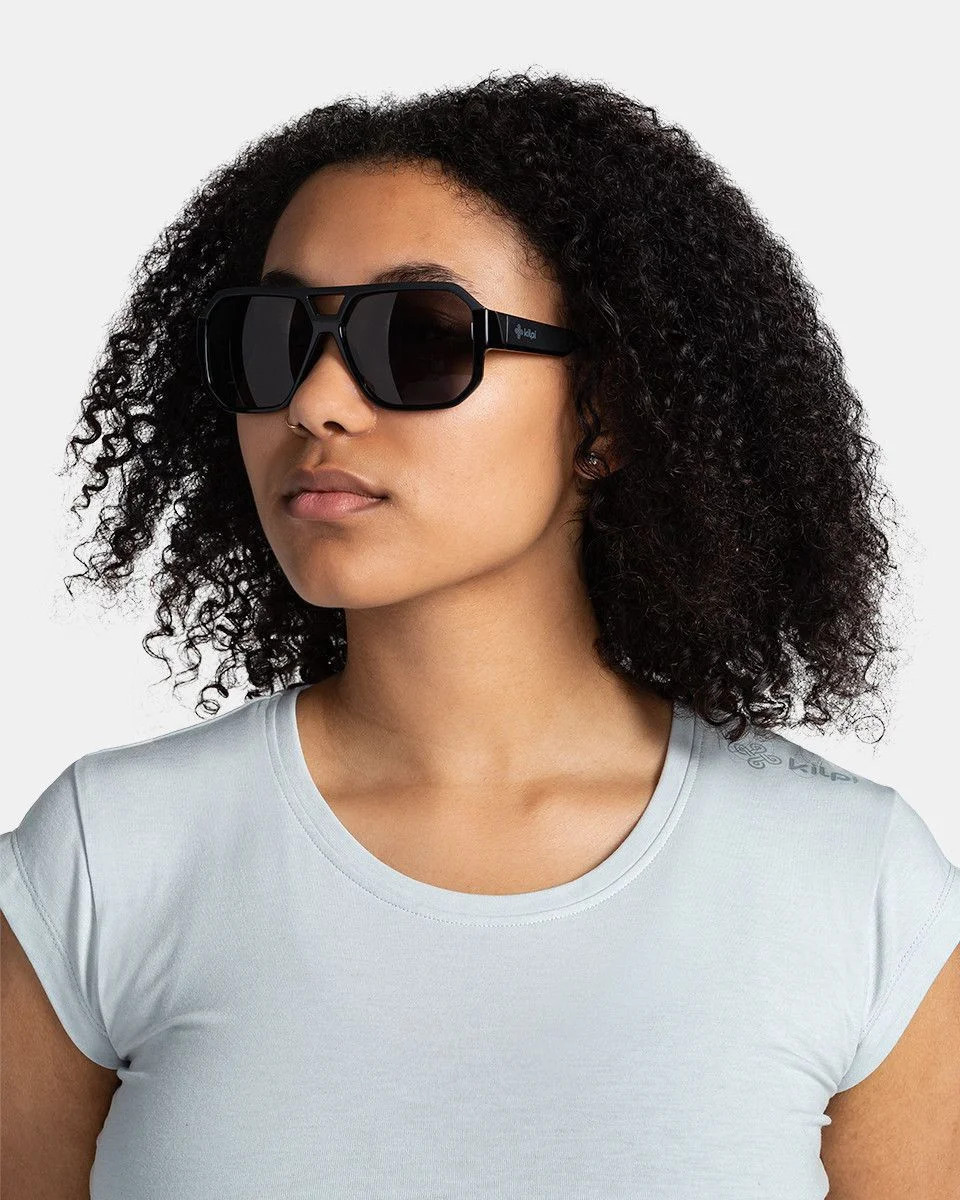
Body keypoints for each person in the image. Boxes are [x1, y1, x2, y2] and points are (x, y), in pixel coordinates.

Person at [2, 70, 958, 1200]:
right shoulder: (108, 860)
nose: (314, 403)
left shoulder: (853, 882)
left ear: (603, 413)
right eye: (271, 339)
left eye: (417, 340)